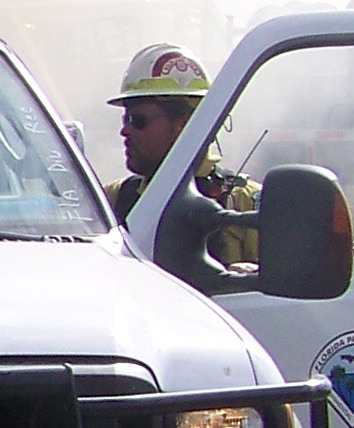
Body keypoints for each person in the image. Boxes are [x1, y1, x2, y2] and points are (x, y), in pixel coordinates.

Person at [109, 43, 258, 266]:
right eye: (125, 119)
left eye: (137, 120)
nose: (125, 130)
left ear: (184, 125)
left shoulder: (246, 202)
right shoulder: (112, 198)